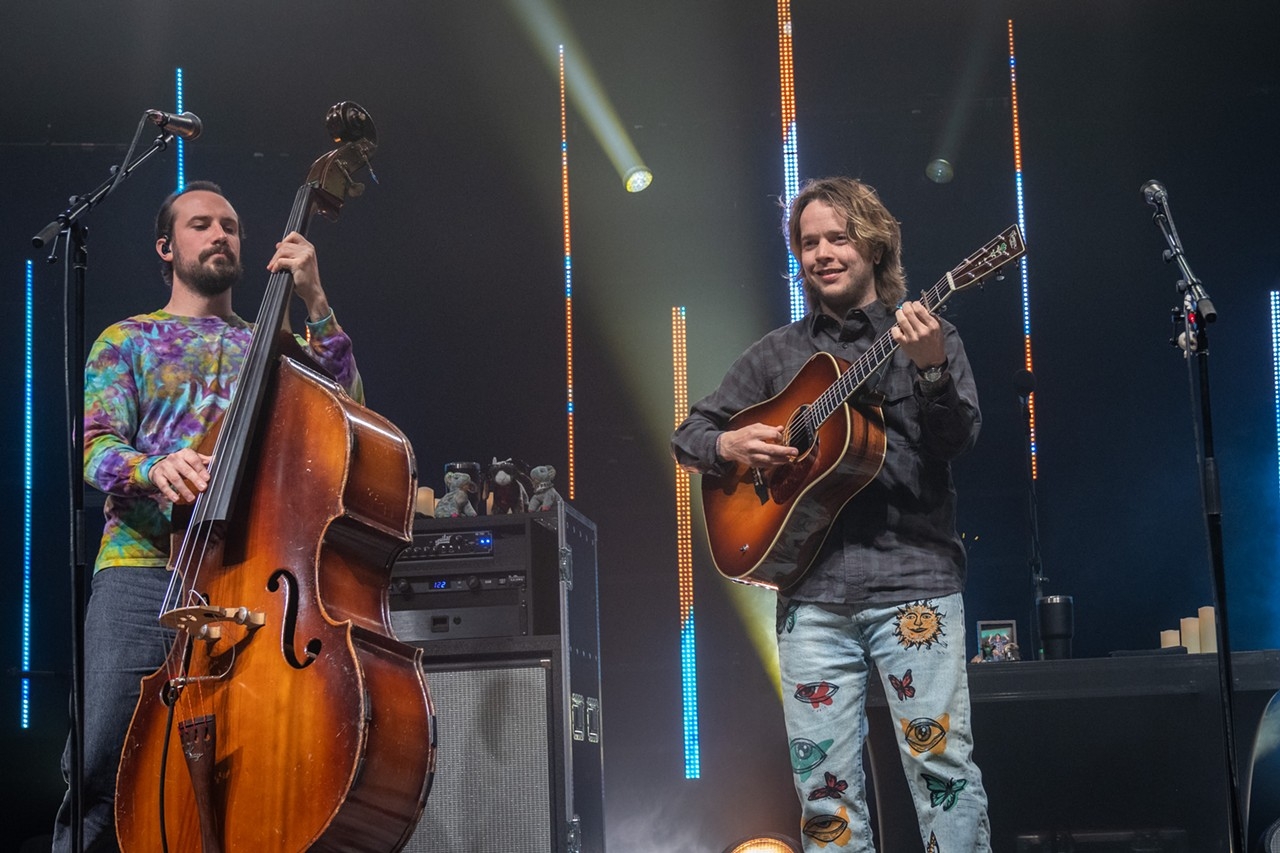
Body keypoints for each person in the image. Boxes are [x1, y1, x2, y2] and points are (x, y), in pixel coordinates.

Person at [672, 176, 991, 851]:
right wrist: (729, 442)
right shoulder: (778, 356)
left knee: (943, 772)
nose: (823, 252)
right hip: (811, 598)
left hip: (913, 584)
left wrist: (931, 369)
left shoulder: (931, 333)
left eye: (838, 238)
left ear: (875, 246)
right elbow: (688, 435)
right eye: (809, 241)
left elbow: (956, 441)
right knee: (825, 795)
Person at [52, 180, 364, 852]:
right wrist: (153, 467)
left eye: (230, 225)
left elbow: (348, 411)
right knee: (103, 758)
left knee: (246, 762)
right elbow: (95, 445)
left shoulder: (269, 346)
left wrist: (315, 300)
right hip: (142, 571)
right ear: (167, 246)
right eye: (201, 224)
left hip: (247, 579)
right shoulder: (127, 339)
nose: (219, 234)